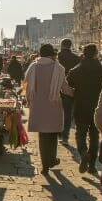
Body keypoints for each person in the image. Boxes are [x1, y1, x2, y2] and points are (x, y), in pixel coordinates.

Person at [24, 44, 67, 174]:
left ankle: (45, 165)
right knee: (52, 134)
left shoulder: (33, 67)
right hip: (53, 104)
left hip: (38, 105)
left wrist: (28, 100)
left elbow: (25, 85)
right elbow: (64, 87)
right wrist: (74, 93)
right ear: (51, 54)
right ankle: (52, 159)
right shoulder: (58, 68)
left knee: (42, 135)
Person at [66, 44, 102, 174]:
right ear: (96, 54)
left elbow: (70, 83)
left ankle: (83, 153)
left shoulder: (76, 70)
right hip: (97, 105)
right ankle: (92, 166)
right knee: (94, 136)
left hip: (81, 106)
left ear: (83, 54)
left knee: (80, 134)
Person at [57, 39, 81, 144]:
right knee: (67, 114)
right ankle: (65, 137)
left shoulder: (56, 57)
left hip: (56, 88)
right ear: (70, 46)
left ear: (62, 45)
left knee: (56, 112)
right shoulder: (76, 58)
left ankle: (56, 133)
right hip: (70, 88)